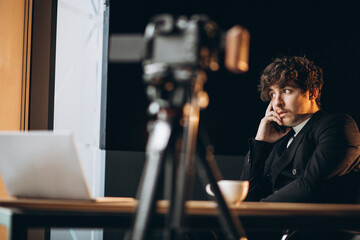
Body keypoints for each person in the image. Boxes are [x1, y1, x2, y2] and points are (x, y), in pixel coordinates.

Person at [240, 56, 360, 239]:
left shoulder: (337, 125)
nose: (277, 103)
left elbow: (310, 186)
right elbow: (248, 195)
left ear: (312, 93)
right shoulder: (279, 140)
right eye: (272, 94)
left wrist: (253, 212)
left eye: (286, 91)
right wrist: (260, 144)